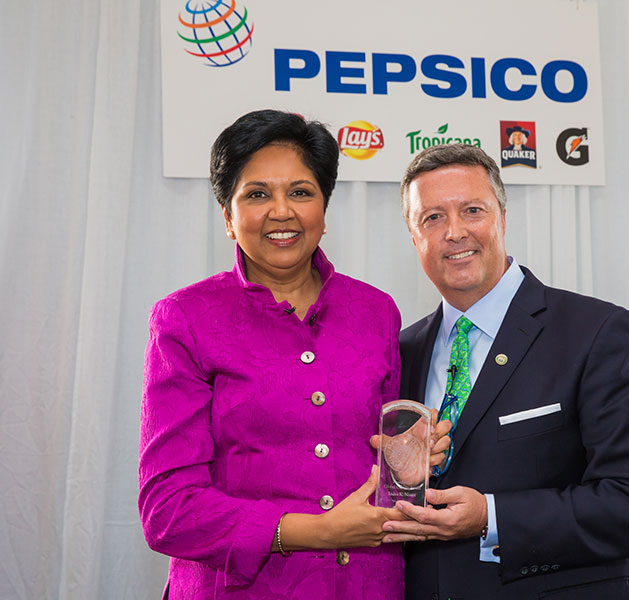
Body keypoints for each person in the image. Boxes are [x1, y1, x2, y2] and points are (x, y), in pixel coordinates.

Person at [138, 110, 448, 600]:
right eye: (257, 194)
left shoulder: (375, 311)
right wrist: (316, 531)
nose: (280, 211)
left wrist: (412, 458)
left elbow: (384, 465)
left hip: (366, 585)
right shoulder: (186, 318)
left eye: (301, 192)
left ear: (324, 211)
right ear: (227, 216)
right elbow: (168, 511)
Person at [382, 143, 629, 599]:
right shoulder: (400, 351)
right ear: (414, 237)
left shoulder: (599, 333)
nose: (454, 232)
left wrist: (491, 517)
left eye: (472, 210)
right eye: (432, 218)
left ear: (502, 216)